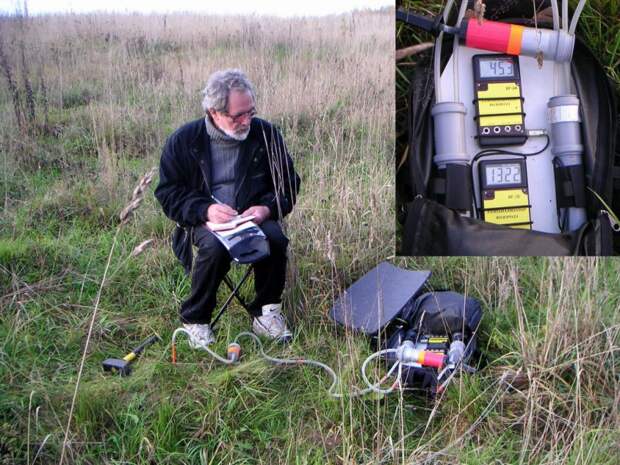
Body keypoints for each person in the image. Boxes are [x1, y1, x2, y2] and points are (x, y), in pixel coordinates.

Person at [155, 69, 300, 347]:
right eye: (238, 116)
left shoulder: (266, 134)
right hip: (202, 223)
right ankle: (196, 320)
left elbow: (289, 184)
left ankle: (267, 314)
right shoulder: (184, 141)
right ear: (214, 112)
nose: (247, 121)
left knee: (276, 238)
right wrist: (205, 210)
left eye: (251, 112)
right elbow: (168, 193)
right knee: (214, 246)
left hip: (251, 217)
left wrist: (266, 209)